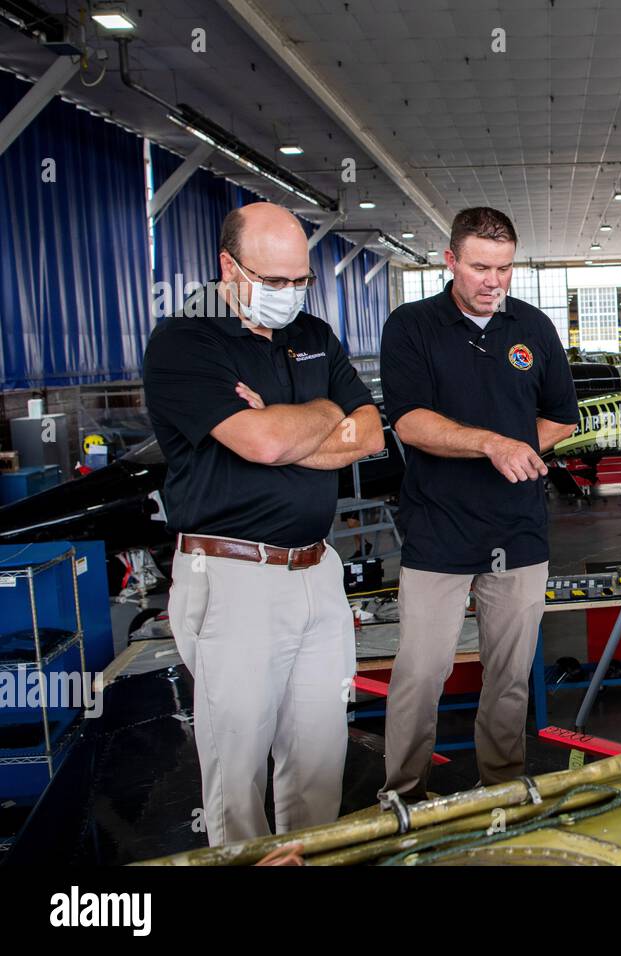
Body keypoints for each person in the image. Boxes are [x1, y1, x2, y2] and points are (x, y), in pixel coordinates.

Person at [142, 202, 384, 845]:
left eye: (300, 281)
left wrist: (291, 415)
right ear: (229, 267)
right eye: (273, 282)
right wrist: (323, 412)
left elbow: (368, 434)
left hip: (317, 570)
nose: (289, 296)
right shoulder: (184, 342)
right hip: (233, 577)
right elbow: (264, 445)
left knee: (319, 757)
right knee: (237, 770)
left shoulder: (313, 336)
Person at [380, 207, 579, 799]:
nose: (494, 281)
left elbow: (561, 418)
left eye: (505, 268)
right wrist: (490, 445)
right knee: (419, 674)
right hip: (437, 531)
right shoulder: (412, 326)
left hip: (517, 531)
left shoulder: (534, 328)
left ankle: (501, 790)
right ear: (449, 261)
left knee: (510, 676)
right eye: (480, 267)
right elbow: (411, 423)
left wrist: (517, 449)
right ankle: (402, 793)